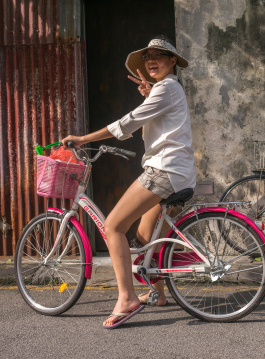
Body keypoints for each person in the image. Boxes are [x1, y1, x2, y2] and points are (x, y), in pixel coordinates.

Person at [61, 36, 195, 329]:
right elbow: (149, 131)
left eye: (159, 55)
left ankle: (126, 299)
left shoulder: (168, 88)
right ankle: (158, 294)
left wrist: (83, 138)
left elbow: (127, 123)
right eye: (147, 57)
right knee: (145, 241)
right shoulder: (163, 92)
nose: (151, 60)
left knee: (113, 227)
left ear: (173, 61)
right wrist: (148, 96)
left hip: (163, 171)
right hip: (178, 172)